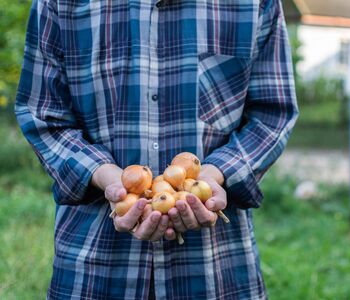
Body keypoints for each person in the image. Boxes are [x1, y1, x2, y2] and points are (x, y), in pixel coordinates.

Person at [15, 0, 298, 298]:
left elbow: (272, 115)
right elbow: (42, 114)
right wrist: (104, 174)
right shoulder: (59, 4)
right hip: (94, 264)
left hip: (216, 268)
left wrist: (214, 175)